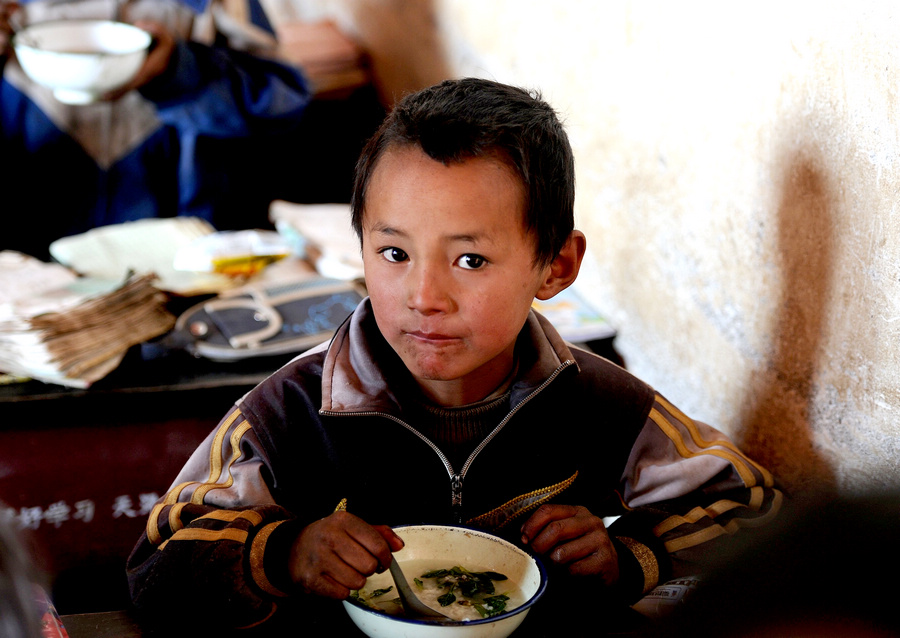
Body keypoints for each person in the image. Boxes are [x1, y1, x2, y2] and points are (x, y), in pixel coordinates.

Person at [126, 77, 783, 633]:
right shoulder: (292, 413)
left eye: (470, 259)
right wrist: (283, 553)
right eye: (394, 253)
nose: (424, 295)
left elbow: (755, 512)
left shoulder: (598, 404)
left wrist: (629, 553)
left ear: (555, 266)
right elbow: (155, 565)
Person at [1, 0, 373, 261]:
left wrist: (179, 73)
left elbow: (280, 103)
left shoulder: (209, 5)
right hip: (35, 258)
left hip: (194, 249)